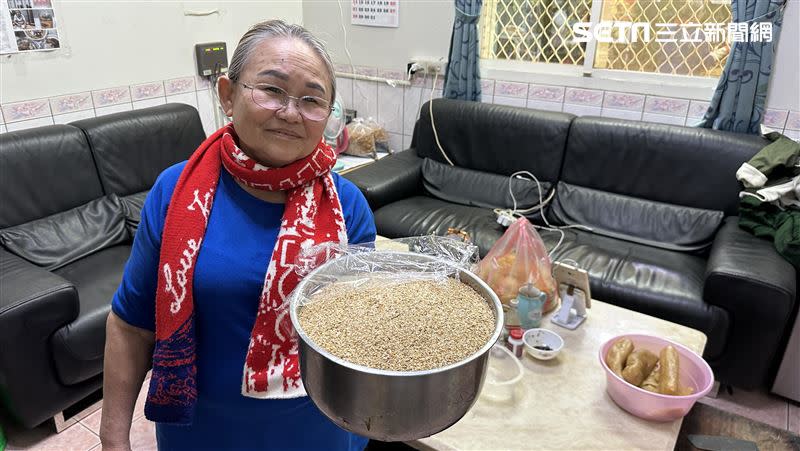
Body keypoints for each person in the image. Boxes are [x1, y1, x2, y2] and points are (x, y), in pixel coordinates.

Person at [100, 20, 376, 451]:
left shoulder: (348, 206)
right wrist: (113, 439)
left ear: (328, 115)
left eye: (311, 100)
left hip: (314, 432)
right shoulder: (176, 193)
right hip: (203, 433)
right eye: (271, 90)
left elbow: (360, 336)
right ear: (228, 95)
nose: (290, 112)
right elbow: (131, 326)